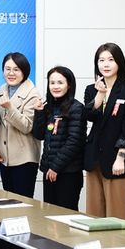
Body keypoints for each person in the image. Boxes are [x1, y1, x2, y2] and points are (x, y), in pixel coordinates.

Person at [83, 42, 125, 221]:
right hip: (95, 160)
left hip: (118, 161)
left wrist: (121, 156)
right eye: (101, 60)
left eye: (110, 59)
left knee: (119, 217)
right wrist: (100, 94)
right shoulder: (91, 89)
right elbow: (89, 115)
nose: (105, 64)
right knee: (94, 216)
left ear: (119, 63)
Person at [32, 66, 85, 210]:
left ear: (69, 85)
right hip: (49, 170)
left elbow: (74, 141)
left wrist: (56, 167)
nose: (55, 86)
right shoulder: (48, 107)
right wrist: (39, 113)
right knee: (49, 214)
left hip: (68, 172)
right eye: (52, 82)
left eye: (60, 82)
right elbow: (38, 135)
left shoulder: (76, 108)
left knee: (65, 215)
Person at [0, 52, 41, 197]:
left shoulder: (33, 94)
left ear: (24, 71)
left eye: (16, 69)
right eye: (7, 69)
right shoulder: (0, 91)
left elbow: (27, 126)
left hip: (24, 159)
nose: (11, 73)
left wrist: (10, 108)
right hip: (4, 158)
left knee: (23, 203)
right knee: (8, 202)